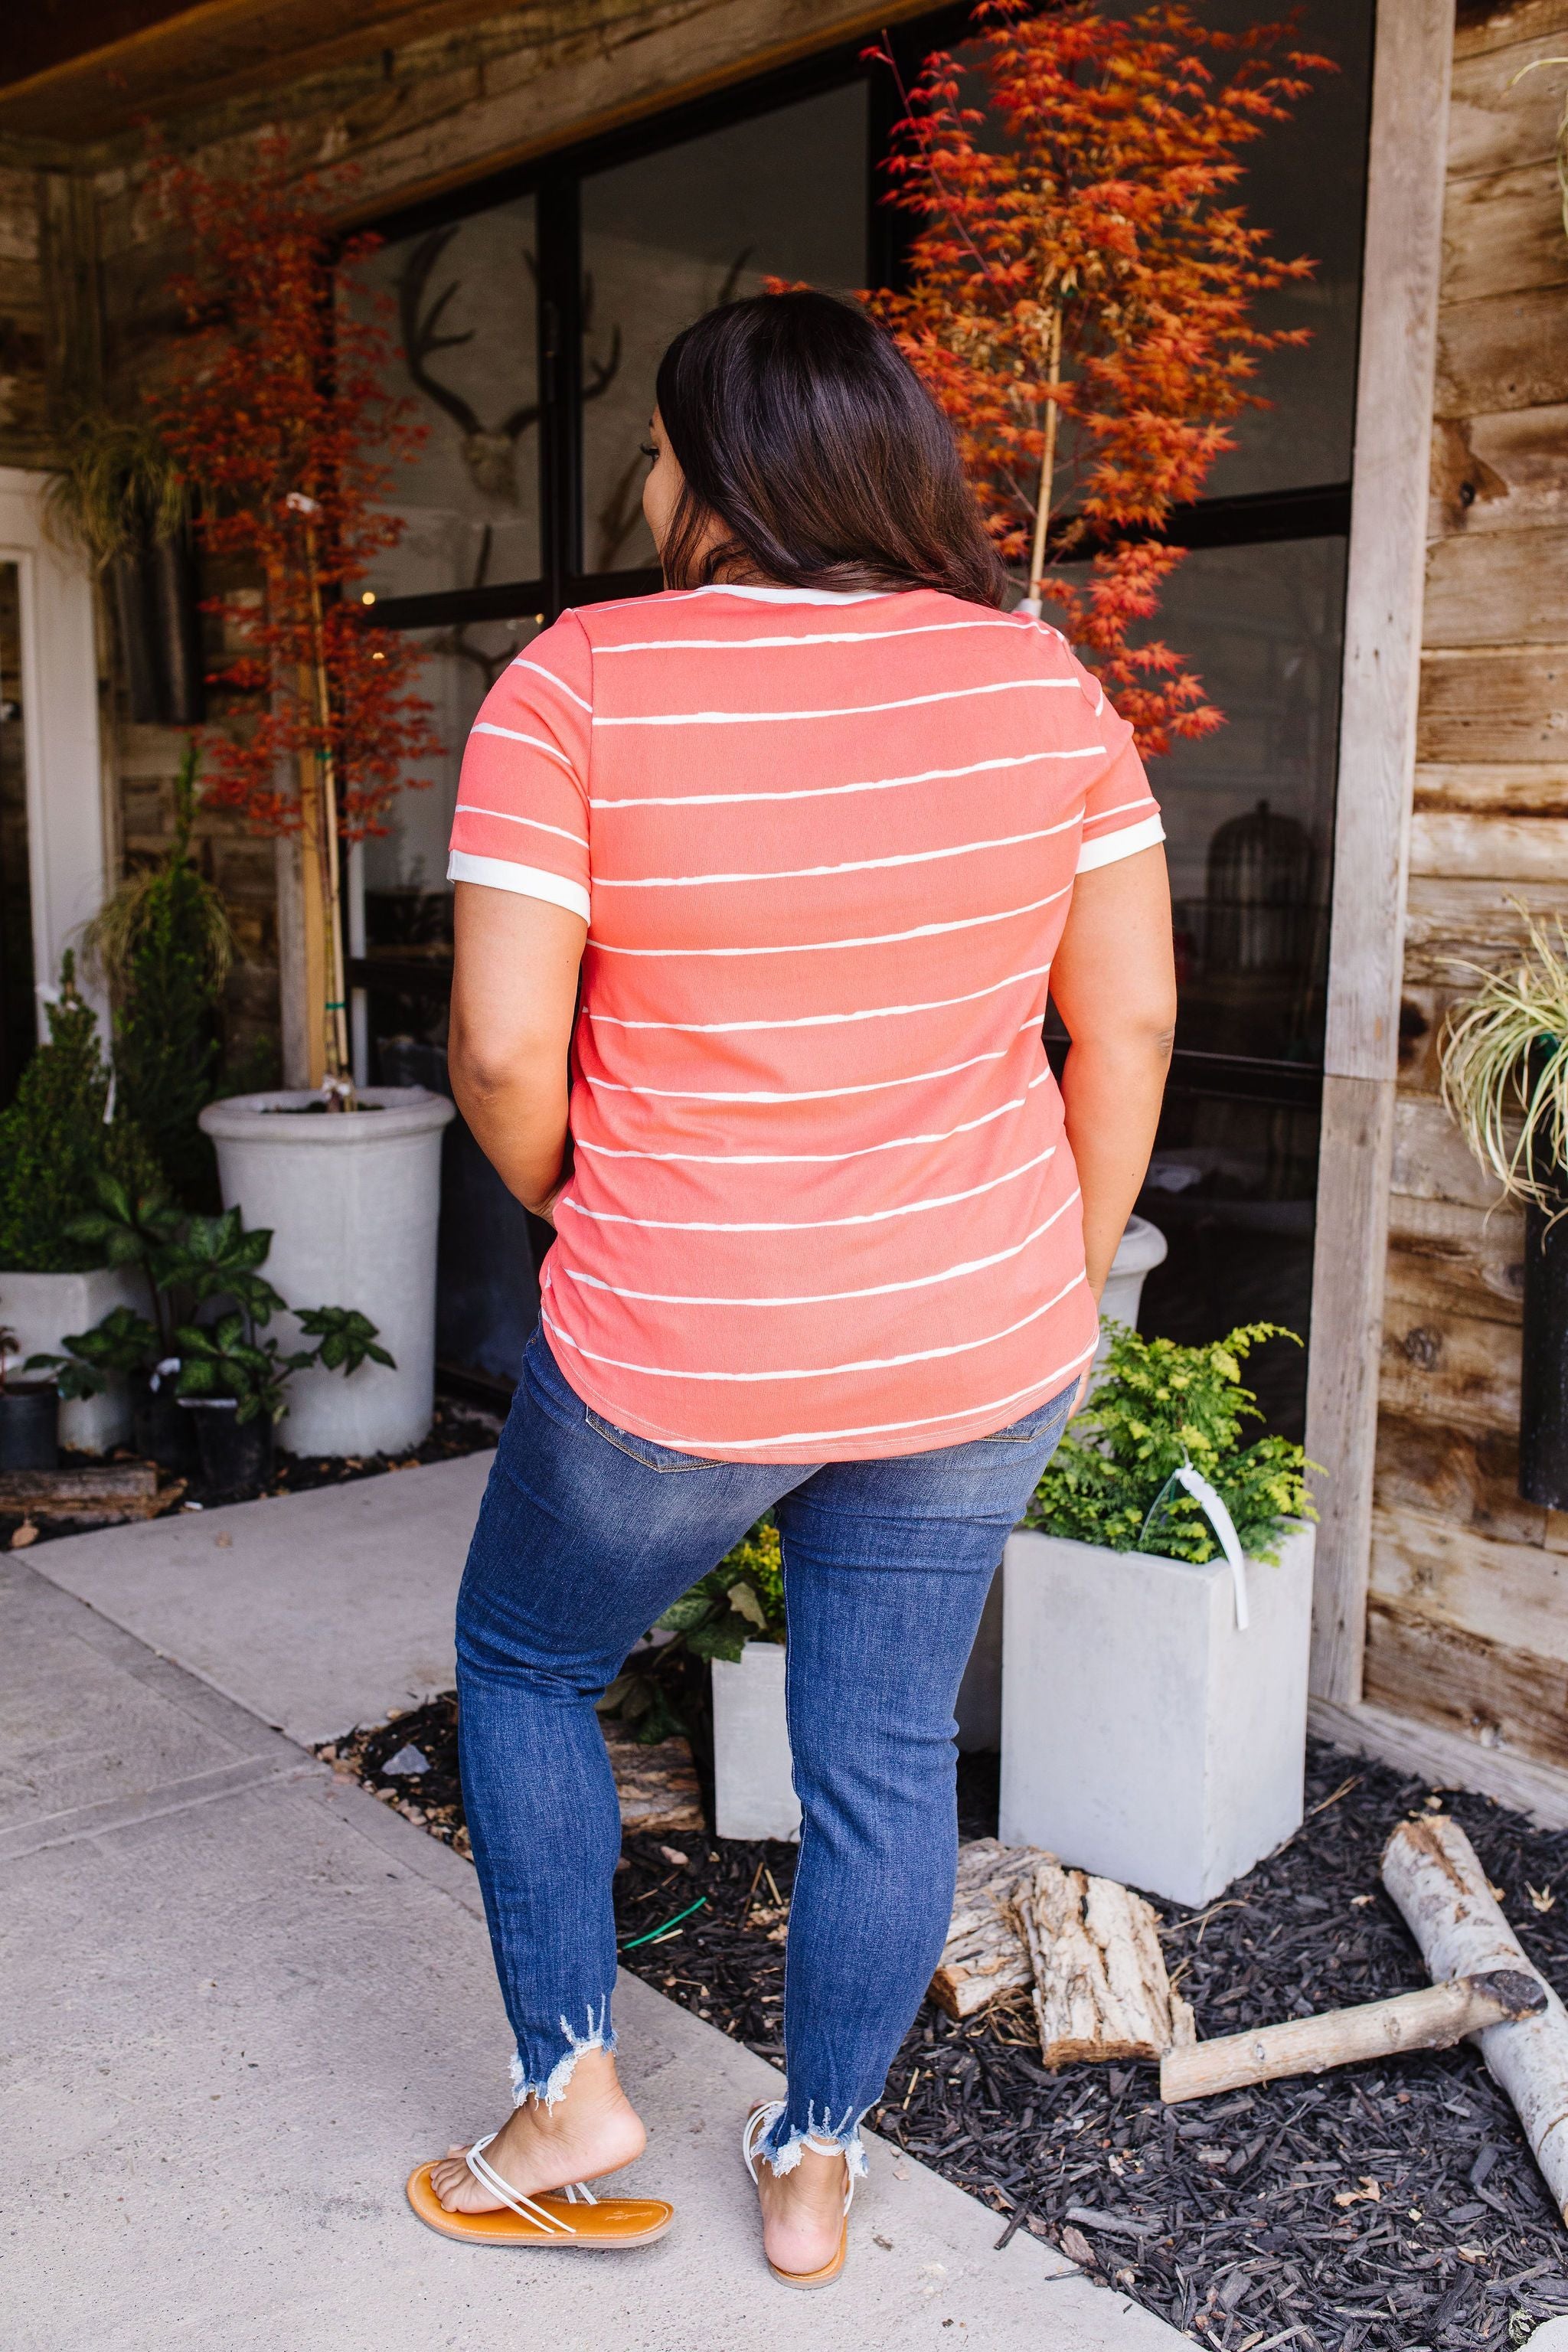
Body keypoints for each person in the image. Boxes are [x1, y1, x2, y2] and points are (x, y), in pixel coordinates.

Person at [405, 288, 1176, 2287]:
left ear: (725, 474)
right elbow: (1137, 1021)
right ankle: (816, 2161)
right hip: (978, 1338)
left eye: (659, 452)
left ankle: (572, 2092)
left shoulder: (576, 685)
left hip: (681, 1338)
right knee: (885, 1754)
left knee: (527, 1665)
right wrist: (1056, 1291)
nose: (648, 488)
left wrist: (588, 1203)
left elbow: (499, 1050)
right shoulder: (1044, 686)